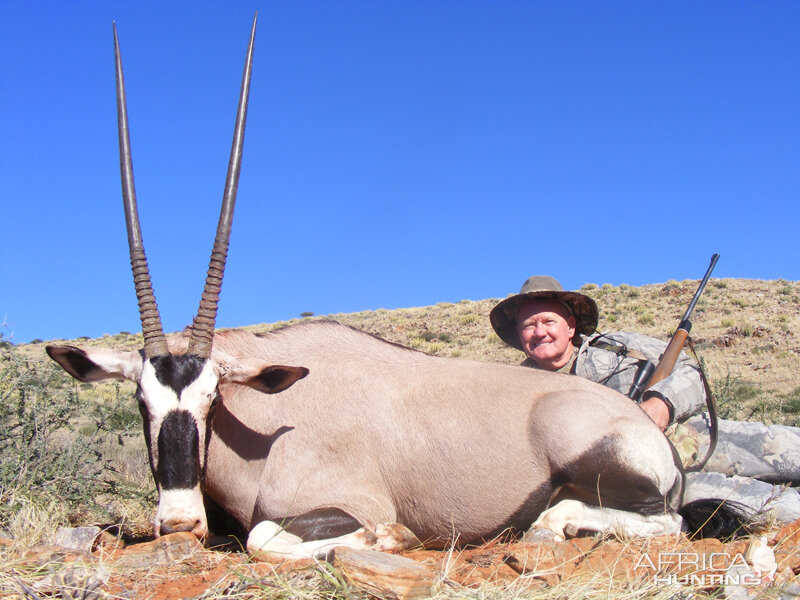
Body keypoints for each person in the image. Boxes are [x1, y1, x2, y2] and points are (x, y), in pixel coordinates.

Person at [490, 275, 800, 524]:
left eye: (548, 321)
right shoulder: (518, 392)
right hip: (652, 483)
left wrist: (660, 405)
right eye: (528, 325)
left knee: (790, 449)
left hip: (695, 438)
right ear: (519, 335)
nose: (539, 332)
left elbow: (689, 369)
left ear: (570, 326)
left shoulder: (617, 346)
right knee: (781, 510)